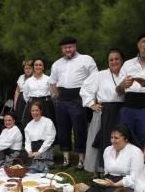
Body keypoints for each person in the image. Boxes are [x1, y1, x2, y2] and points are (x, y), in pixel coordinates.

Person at [72, 125, 143, 192]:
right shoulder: (108, 150)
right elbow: (106, 171)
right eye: (111, 137)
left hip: (126, 184)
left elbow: (135, 177)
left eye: (116, 138)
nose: (112, 141)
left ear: (126, 139)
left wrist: (116, 184)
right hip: (109, 180)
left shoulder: (135, 152)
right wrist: (103, 182)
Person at [49, 36, 98, 168]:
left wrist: (90, 97)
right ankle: (66, 159)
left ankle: (81, 160)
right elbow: (52, 82)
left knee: (79, 129)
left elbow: (95, 78)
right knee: (63, 129)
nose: (68, 50)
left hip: (79, 98)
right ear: (62, 49)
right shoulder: (57, 64)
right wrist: (58, 95)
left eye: (70, 47)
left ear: (75, 47)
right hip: (62, 98)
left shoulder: (86, 60)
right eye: (65, 48)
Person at [80, 48, 126, 173]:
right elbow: (85, 90)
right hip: (104, 112)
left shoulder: (126, 76)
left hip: (121, 112)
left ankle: (118, 169)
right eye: (111, 59)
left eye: (117, 59)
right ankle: (97, 171)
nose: (114, 61)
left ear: (122, 61)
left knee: (120, 140)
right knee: (99, 141)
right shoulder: (100, 75)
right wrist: (92, 104)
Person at [23, 101, 56, 172]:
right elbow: (27, 141)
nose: (34, 113)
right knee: (22, 161)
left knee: (36, 163)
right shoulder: (29, 125)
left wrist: (39, 152)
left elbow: (50, 139)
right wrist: (29, 151)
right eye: (32, 111)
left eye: (37, 110)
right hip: (33, 148)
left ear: (41, 111)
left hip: (45, 148)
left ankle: (40, 167)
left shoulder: (48, 122)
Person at [21, 58, 55, 126]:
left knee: (47, 125)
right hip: (32, 104)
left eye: (40, 65)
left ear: (43, 67)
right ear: (33, 67)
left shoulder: (49, 79)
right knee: (31, 124)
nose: (38, 67)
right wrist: (32, 101)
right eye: (36, 65)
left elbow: (53, 93)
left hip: (46, 104)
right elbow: (25, 95)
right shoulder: (28, 81)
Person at [13, 59, 34, 124]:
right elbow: (17, 91)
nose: (27, 70)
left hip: (29, 99)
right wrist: (15, 103)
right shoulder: (21, 77)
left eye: (29, 68)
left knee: (28, 118)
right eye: (25, 68)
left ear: (33, 68)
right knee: (19, 118)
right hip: (20, 100)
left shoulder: (34, 77)